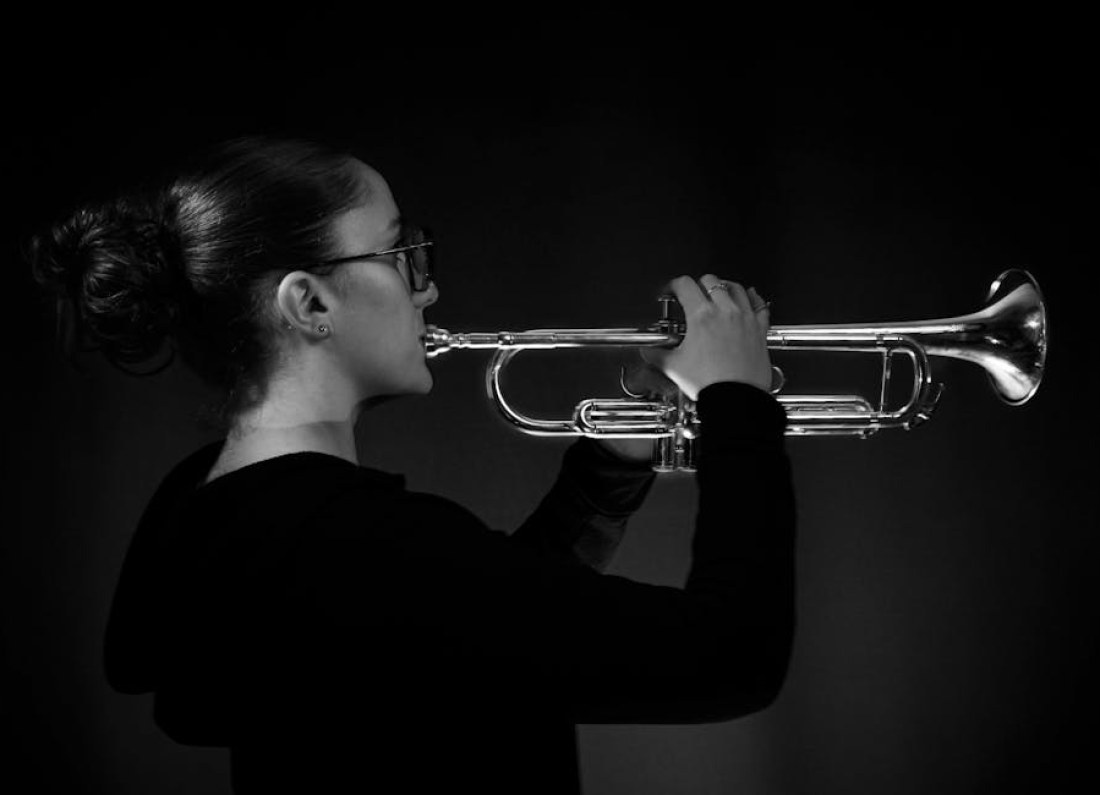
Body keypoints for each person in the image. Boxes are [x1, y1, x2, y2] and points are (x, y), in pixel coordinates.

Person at [29, 136, 796, 794]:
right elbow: (733, 655)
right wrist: (738, 403)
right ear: (309, 304)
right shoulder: (372, 548)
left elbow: (483, 641)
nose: (427, 287)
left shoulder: (211, 508)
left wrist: (616, 453)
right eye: (399, 252)